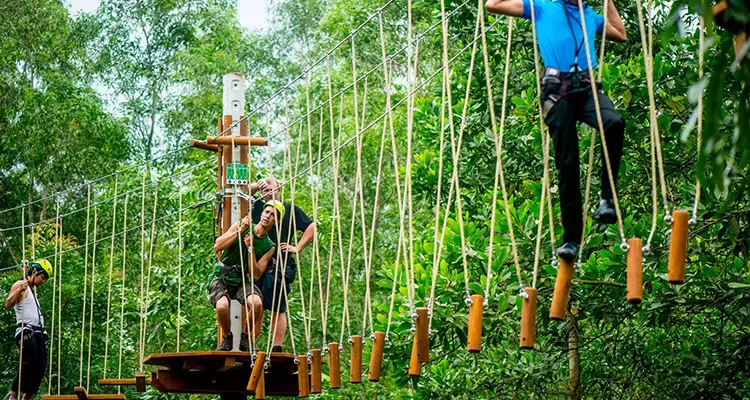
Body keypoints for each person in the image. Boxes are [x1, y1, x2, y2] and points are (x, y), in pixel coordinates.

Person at [486, 0, 627, 262]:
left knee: (614, 123)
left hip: (586, 89)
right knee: (568, 162)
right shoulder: (540, 7)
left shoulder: (591, 16)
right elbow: (493, 4)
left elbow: (620, 34)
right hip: (557, 92)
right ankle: (571, 238)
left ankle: (607, 201)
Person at [249, 177, 316, 352]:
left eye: (272, 187)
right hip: (256, 264)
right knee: (257, 305)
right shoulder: (256, 208)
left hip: (279, 264)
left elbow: (311, 227)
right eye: (265, 189)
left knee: (278, 307)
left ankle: (277, 346)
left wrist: (298, 247)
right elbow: (237, 197)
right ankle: (250, 345)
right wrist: (257, 186)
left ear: (279, 189)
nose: (268, 190)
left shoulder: (290, 210)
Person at [211, 200, 285, 351]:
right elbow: (218, 246)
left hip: (241, 278)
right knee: (222, 306)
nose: (268, 216)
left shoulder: (269, 246)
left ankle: (245, 337)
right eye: (267, 212)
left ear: (276, 221)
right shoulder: (242, 225)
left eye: (272, 215)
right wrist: (240, 231)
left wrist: (250, 249)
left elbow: (256, 274)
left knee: (257, 303)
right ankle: (227, 338)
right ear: (262, 213)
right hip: (223, 275)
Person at [6, 260, 51, 400]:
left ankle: (26, 398)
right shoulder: (21, 285)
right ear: (34, 272)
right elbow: (8, 304)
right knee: (29, 363)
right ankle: (13, 398)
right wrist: (19, 290)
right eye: (42, 277)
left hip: (37, 334)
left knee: (40, 366)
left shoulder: (32, 292)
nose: (43, 281)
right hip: (26, 332)